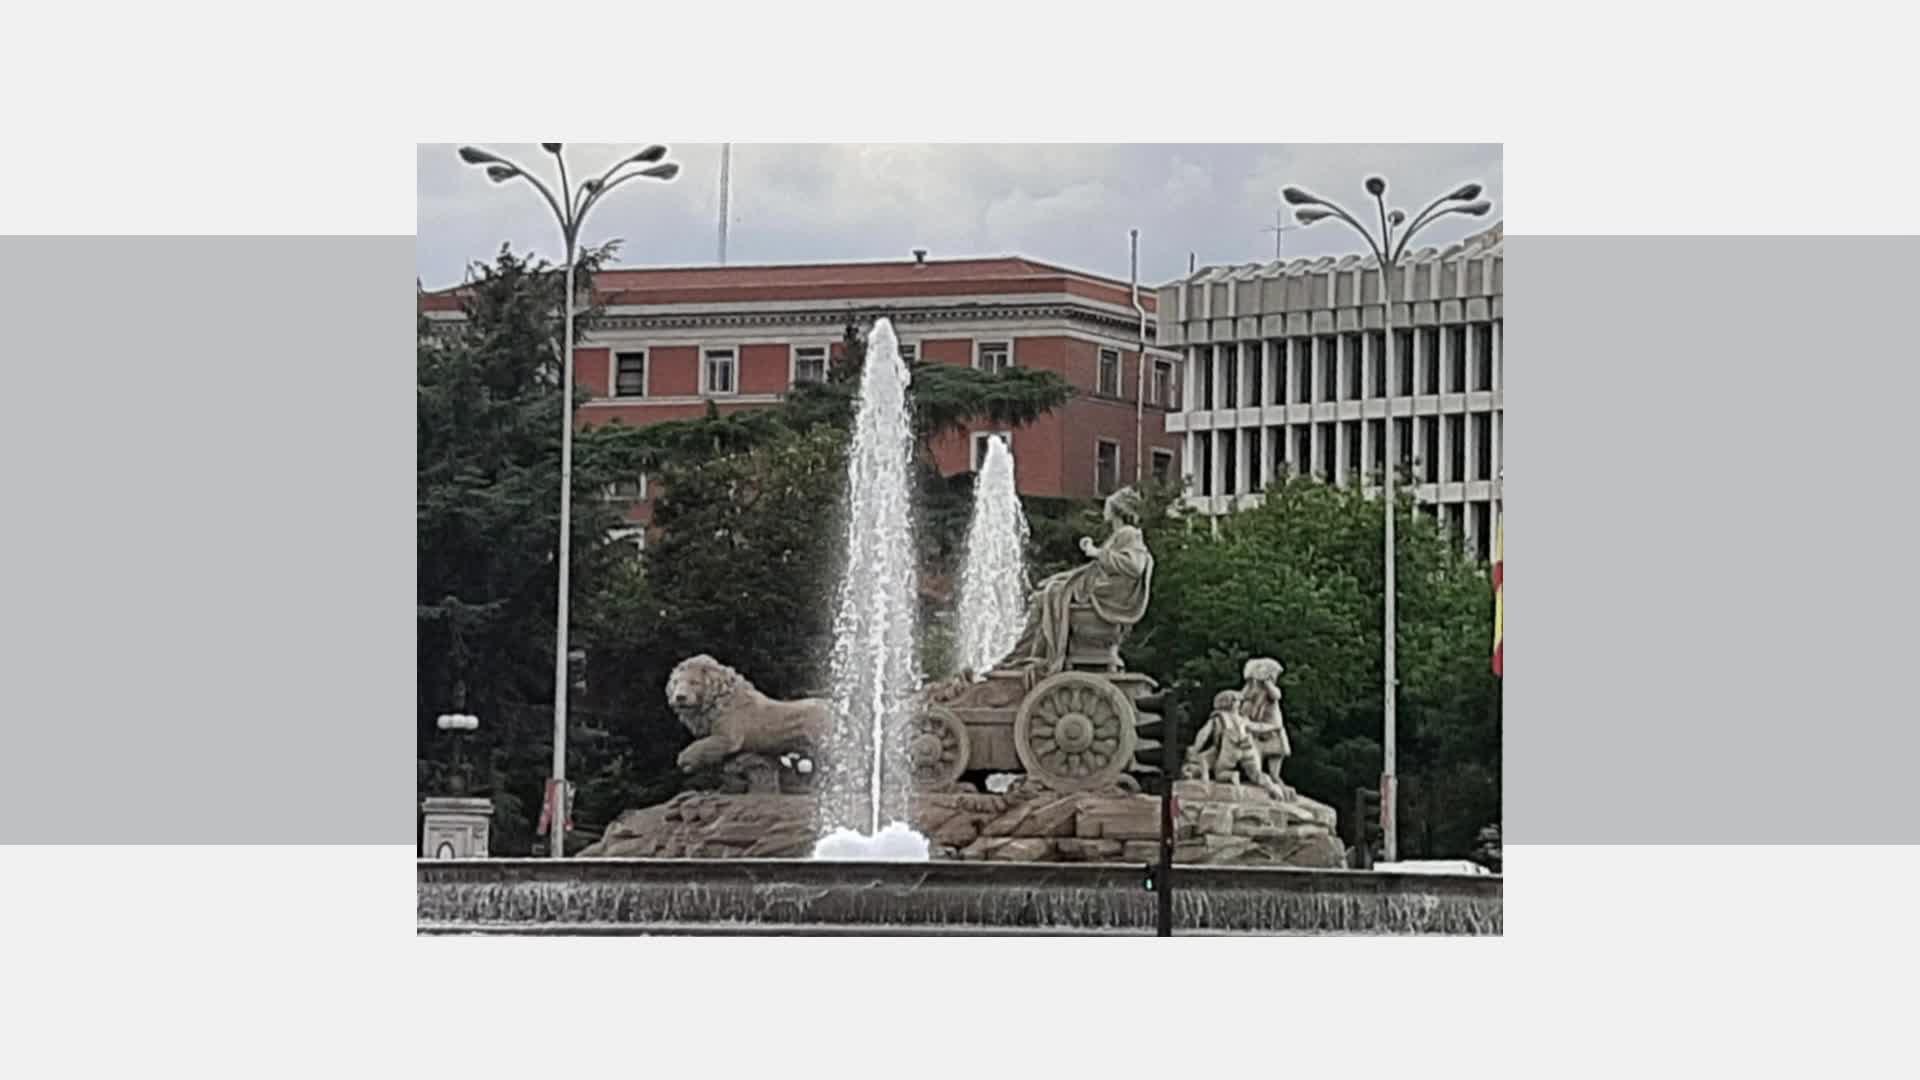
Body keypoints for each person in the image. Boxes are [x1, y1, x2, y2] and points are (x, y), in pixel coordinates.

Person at [1006, 487, 1153, 675]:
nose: (1104, 509)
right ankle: (1024, 655)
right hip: (1096, 588)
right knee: (1046, 593)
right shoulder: (1121, 534)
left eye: (1107, 506)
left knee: (1046, 596)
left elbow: (1135, 566)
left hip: (1103, 595)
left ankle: (1024, 656)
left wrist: (1096, 552)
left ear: (1117, 509)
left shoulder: (1129, 533)